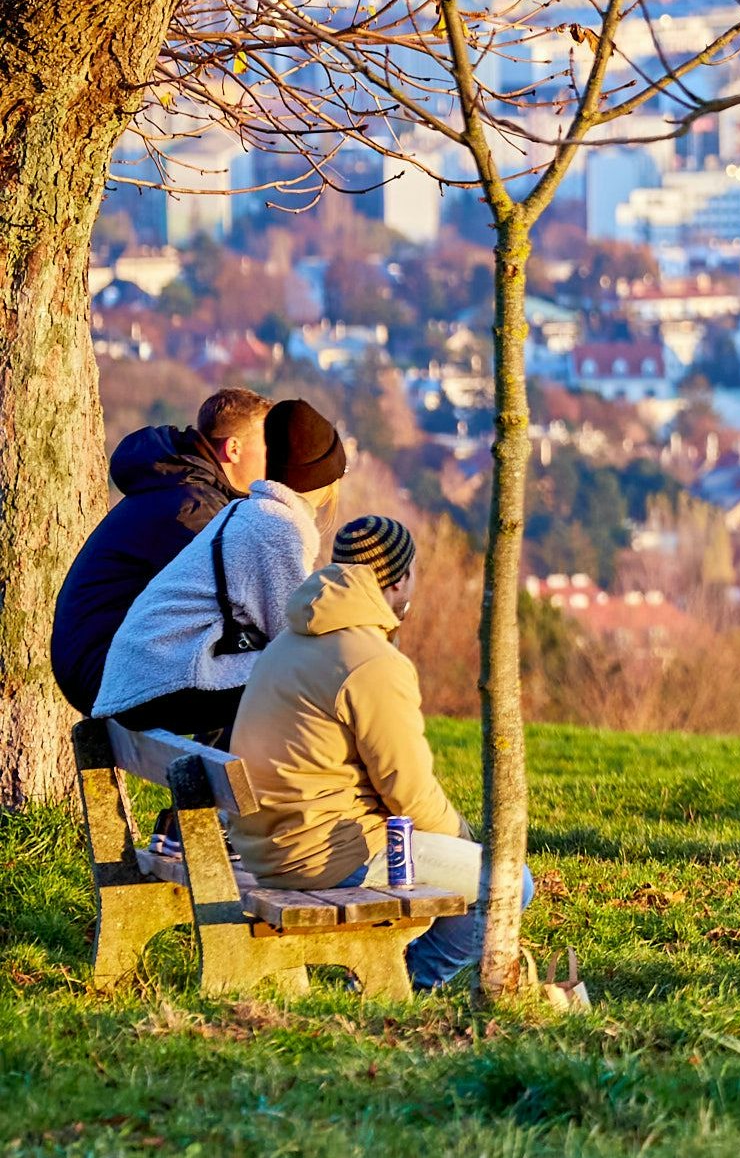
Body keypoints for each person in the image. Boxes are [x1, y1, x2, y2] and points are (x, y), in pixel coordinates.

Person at [226, 516, 530, 993]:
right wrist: (465, 841)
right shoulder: (371, 662)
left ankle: (387, 971)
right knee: (510, 884)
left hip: (267, 846)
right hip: (325, 854)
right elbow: (408, 791)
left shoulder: (292, 637)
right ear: (398, 579)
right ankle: (401, 982)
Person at [94, 398, 348, 742]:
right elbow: (290, 633)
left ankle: (230, 783)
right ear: (323, 478)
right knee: (309, 679)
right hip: (156, 688)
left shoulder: (246, 511)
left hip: (135, 681)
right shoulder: (279, 526)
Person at [52, 388, 269, 715]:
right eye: (270, 445)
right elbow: (231, 603)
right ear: (234, 449)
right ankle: (223, 766)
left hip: (102, 668)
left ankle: (218, 764)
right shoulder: (192, 507)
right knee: (279, 674)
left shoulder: (181, 487)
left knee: (262, 665)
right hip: (108, 675)